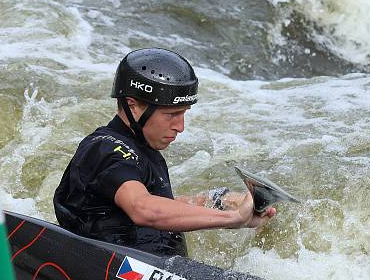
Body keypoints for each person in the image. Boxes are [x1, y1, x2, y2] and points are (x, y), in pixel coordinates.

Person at [54, 48, 275, 257]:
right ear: (133, 106)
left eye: (184, 113)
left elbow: (152, 204)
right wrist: (233, 218)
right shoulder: (105, 148)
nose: (181, 126)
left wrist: (221, 201)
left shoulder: (146, 155)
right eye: (172, 114)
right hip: (117, 274)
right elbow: (142, 208)